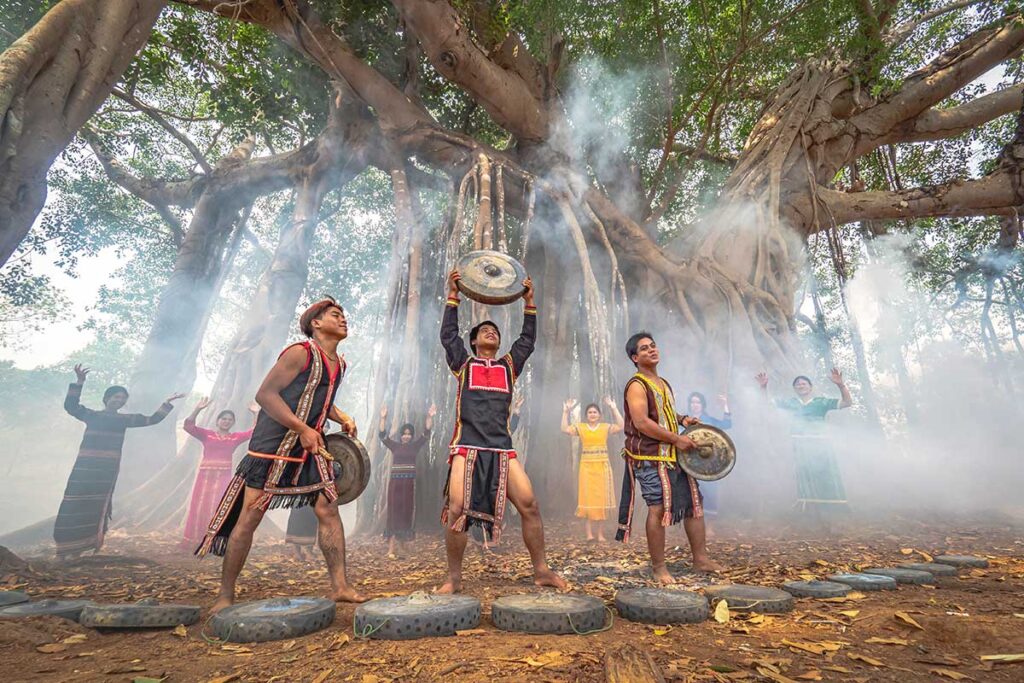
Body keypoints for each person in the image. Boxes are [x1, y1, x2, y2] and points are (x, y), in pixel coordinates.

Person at [196, 298, 366, 611]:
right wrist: (301, 427)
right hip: (273, 446)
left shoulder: (339, 363)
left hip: (310, 446)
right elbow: (265, 395)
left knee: (328, 509)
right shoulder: (300, 353)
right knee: (251, 515)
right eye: (335, 315)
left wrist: (341, 417)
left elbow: (320, 400)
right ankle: (225, 594)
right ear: (315, 323)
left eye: (344, 316)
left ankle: (340, 586)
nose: (343, 320)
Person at [438, 269, 566, 593]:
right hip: (467, 447)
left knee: (530, 505)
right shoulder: (463, 365)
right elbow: (448, 337)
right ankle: (453, 578)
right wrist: (453, 296)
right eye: (484, 330)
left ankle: (541, 570)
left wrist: (530, 302)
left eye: (495, 330)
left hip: (502, 448)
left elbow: (527, 341)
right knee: (456, 510)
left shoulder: (510, 367)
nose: (491, 332)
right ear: (474, 341)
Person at [617, 332, 722, 581]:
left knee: (693, 505)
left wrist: (683, 419)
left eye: (653, 346)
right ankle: (659, 568)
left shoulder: (662, 382)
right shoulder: (636, 385)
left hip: (675, 455)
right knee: (657, 508)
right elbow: (642, 422)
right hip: (651, 457)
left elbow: (663, 413)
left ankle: (701, 559)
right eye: (644, 349)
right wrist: (677, 438)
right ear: (635, 357)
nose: (652, 350)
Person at [55, 364, 183, 559]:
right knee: (72, 502)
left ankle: (81, 548)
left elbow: (152, 420)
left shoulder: (124, 420)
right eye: (116, 397)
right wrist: (79, 382)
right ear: (107, 399)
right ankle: (63, 548)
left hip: (106, 471)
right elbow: (70, 406)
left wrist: (166, 403)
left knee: (96, 506)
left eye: (122, 398)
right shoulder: (91, 415)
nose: (119, 400)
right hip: (84, 467)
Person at [756, 368, 852, 514]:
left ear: (810, 387)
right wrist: (763, 387)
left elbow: (847, 402)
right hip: (800, 444)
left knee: (826, 473)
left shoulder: (821, 402)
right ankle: (809, 509)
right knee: (804, 475)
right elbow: (767, 405)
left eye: (804, 383)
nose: (801, 385)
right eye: (798, 384)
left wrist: (840, 384)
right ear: (794, 389)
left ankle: (833, 508)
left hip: (821, 443)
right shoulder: (791, 403)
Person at [180, 398, 257, 549]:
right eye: (223, 419)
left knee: (219, 506)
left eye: (229, 420)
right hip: (205, 476)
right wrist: (197, 409)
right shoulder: (207, 434)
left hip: (223, 477)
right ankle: (195, 539)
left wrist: (256, 413)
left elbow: (254, 432)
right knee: (200, 505)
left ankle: (213, 540)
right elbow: (188, 426)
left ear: (232, 423)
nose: (226, 421)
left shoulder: (235, 437)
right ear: (218, 421)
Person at [560, 397, 622, 542]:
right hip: (586, 468)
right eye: (589, 412)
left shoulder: (605, 427)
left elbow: (621, 425)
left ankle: (600, 534)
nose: (592, 414)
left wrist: (613, 408)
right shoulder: (581, 427)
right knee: (588, 499)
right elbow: (564, 429)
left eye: (595, 412)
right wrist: (565, 412)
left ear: (599, 415)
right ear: (586, 415)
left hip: (602, 467)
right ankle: (589, 534)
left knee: (601, 501)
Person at [378, 403, 436, 558]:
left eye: (409, 434)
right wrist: (382, 418)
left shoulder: (415, 447)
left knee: (405, 513)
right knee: (393, 513)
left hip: (408, 486)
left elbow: (426, 433)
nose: (406, 436)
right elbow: (382, 435)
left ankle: (402, 547)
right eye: (404, 433)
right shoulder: (395, 446)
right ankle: (391, 549)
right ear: (401, 436)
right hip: (395, 485)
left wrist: (429, 417)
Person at [685, 392, 732, 518]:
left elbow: (727, 424)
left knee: (709, 492)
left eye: (698, 402)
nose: (695, 405)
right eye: (692, 402)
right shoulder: (685, 420)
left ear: (702, 405)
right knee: (689, 491)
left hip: (707, 461)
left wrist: (725, 405)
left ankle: (709, 525)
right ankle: (691, 519)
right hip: (689, 461)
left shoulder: (709, 420)